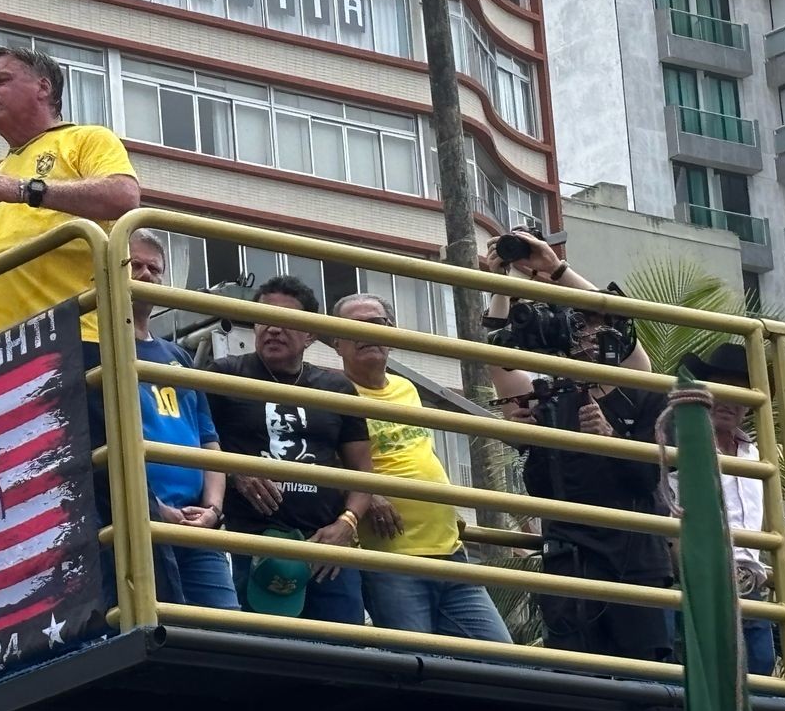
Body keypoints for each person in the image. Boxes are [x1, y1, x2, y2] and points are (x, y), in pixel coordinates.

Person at [485, 229, 673, 662]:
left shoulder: (641, 386)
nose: (586, 335)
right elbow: (497, 353)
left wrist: (555, 268)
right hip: (570, 555)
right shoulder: (553, 394)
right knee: (577, 671)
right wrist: (502, 283)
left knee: (649, 675)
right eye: (575, 327)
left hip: (636, 556)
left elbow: (620, 319)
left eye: (591, 324)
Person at [330, 293, 512, 643]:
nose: (367, 334)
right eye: (354, 327)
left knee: (505, 658)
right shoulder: (331, 392)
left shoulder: (405, 388)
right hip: (391, 560)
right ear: (336, 342)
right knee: (418, 666)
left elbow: (419, 454)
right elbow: (324, 461)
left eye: (377, 324)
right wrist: (373, 495)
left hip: (450, 551)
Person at [0, 45, 140, 346]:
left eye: (0, 81)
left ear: (43, 87)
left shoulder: (85, 139)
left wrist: (23, 190)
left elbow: (124, 196)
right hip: (10, 356)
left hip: (84, 337)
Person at [205, 275, 373, 624]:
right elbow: (197, 445)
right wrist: (236, 472)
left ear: (310, 333)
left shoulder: (336, 388)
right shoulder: (225, 374)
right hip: (250, 546)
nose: (274, 329)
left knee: (344, 662)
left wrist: (348, 523)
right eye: (265, 319)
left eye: (287, 321)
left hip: (327, 550)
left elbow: (364, 474)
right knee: (259, 658)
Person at [129, 230, 238, 611]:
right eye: (135, 265)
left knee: (227, 632)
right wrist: (155, 507)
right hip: (140, 522)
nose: (145, 275)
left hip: (196, 523)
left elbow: (209, 441)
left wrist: (212, 509)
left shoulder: (179, 355)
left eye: (154, 269)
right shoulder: (99, 347)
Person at [662, 343, 776, 676]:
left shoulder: (757, 453)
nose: (728, 401)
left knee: (759, 668)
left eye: (739, 392)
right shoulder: (679, 442)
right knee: (703, 670)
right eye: (721, 389)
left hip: (749, 580)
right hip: (700, 572)